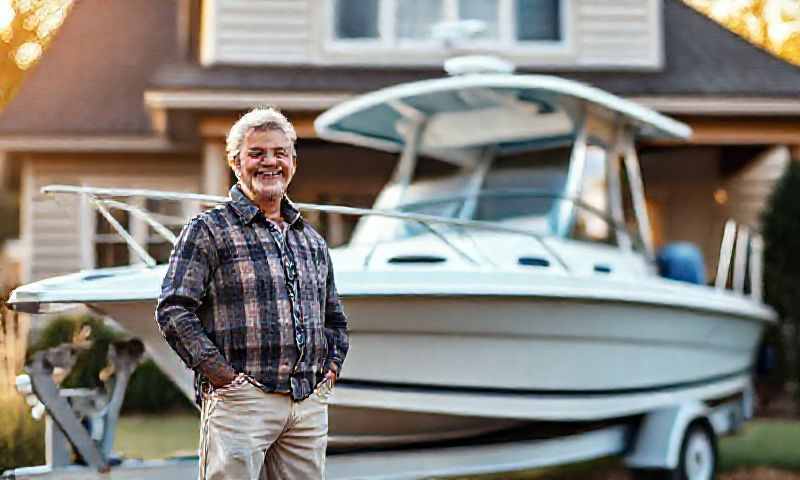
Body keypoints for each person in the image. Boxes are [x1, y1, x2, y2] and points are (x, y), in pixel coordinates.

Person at [155, 107, 349, 479]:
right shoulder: (208, 230)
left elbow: (334, 319)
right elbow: (174, 309)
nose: (269, 162)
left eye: (279, 153)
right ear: (235, 162)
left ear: (292, 161)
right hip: (240, 401)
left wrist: (331, 371)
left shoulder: (311, 240)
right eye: (257, 153)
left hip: (307, 403)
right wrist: (222, 377)